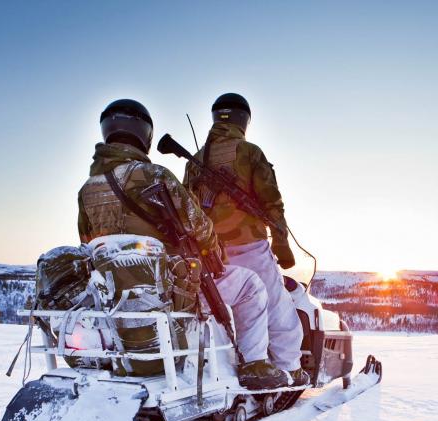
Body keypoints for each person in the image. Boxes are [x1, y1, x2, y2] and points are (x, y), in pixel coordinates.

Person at [77, 98, 288, 390]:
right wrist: (213, 254)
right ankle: (254, 364)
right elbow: (199, 225)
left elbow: (87, 244)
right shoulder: (154, 176)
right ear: (144, 134)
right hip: (172, 292)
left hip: (116, 296)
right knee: (251, 286)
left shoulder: (87, 190)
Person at [183, 93, 308, 386]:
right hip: (249, 246)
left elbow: (186, 208)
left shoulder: (195, 161)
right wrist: (282, 245)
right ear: (244, 120)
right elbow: (272, 204)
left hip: (207, 252)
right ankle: (290, 367)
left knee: (218, 307)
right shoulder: (250, 153)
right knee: (278, 308)